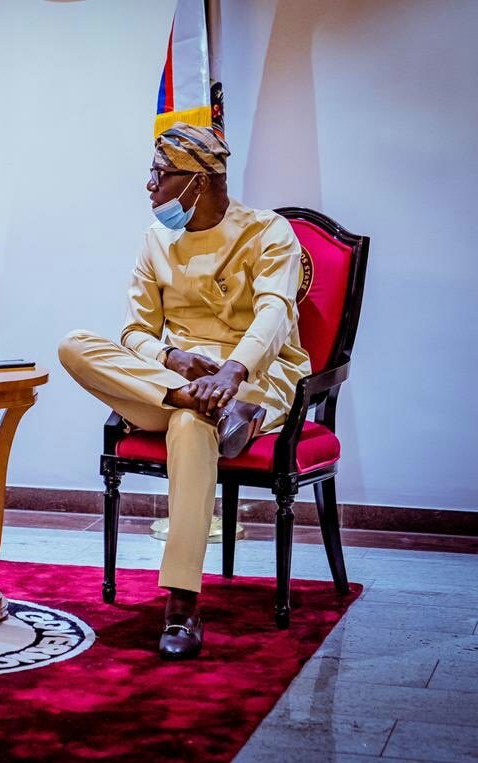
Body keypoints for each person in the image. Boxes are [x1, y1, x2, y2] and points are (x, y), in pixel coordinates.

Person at [58, 123, 311, 660]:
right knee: (74, 345)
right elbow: (133, 334)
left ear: (199, 180)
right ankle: (194, 401)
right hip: (172, 384)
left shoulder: (269, 232)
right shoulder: (156, 239)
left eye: (160, 174)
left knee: (191, 426)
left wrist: (232, 372)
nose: (149, 186)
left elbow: (274, 312)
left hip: (251, 382)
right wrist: (170, 361)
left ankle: (182, 601)